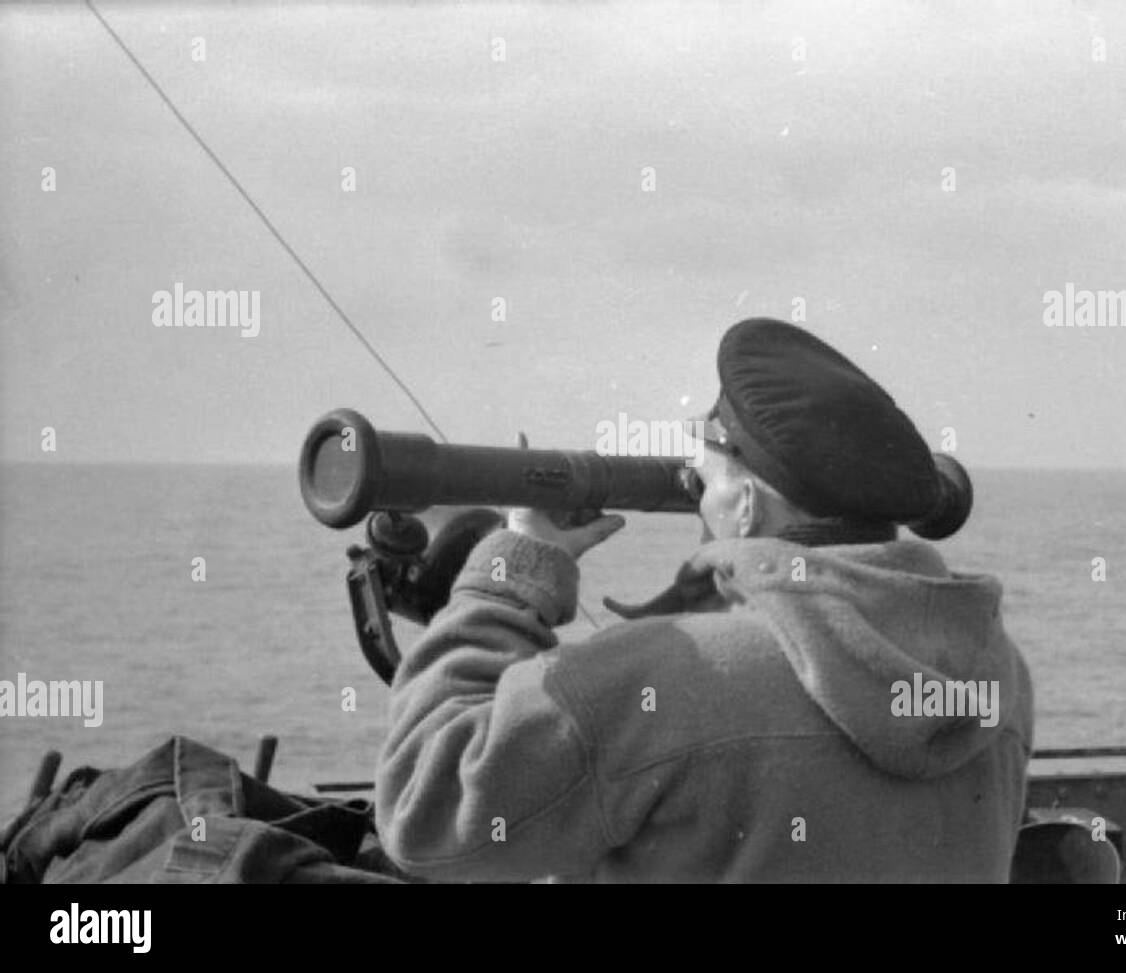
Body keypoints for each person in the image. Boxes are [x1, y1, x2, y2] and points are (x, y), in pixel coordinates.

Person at [375, 317, 1033, 882]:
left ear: (744, 504)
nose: (690, 480)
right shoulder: (994, 673)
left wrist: (511, 571)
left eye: (706, 469)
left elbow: (423, 807)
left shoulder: (667, 677)